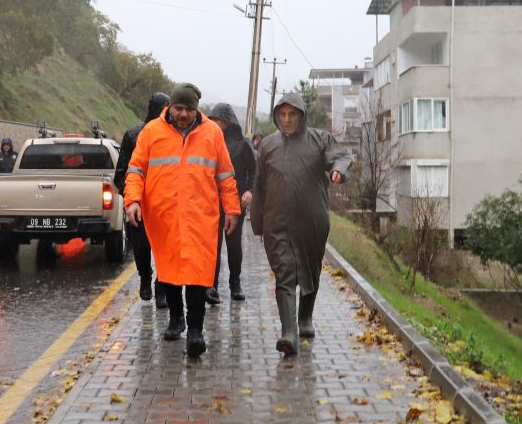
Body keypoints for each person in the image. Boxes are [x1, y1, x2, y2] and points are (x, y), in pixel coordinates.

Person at [124, 83, 241, 357]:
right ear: (170, 107)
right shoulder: (151, 132)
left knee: (199, 273)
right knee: (170, 271)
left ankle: (196, 332)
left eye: (189, 109)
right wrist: (132, 200)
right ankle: (177, 319)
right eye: (179, 108)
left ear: (197, 108)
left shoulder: (212, 133)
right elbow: (135, 170)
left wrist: (232, 209)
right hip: (163, 216)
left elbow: (225, 174)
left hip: (202, 216)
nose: (184, 114)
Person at [251, 92, 352, 355]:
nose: (287, 120)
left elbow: (340, 156)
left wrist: (338, 170)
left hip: (312, 222)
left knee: (310, 270)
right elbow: (259, 186)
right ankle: (289, 333)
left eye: (292, 115)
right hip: (277, 222)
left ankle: (305, 316)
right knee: (284, 273)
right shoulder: (268, 145)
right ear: (276, 116)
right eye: (282, 115)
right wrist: (257, 220)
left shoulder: (319, 140)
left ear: (302, 116)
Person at [114, 92, 170, 303]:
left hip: (164, 204)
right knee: (141, 248)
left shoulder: (171, 136)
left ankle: (162, 287)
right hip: (139, 205)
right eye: (165, 106)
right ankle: (145, 278)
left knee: (165, 250)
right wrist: (131, 199)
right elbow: (121, 173)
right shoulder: (133, 135)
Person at [206, 103, 255, 303]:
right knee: (212, 246)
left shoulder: (243, 144)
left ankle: (235, 283)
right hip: (211, 202)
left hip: (235, 201)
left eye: (216, 120)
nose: (213, 124)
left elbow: (254, 169)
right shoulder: (207, 141)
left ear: (226, 122)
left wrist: (250, 190)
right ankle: (212, 286)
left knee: (234, 245)